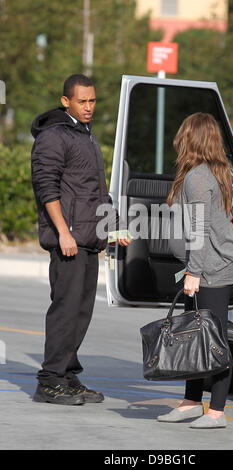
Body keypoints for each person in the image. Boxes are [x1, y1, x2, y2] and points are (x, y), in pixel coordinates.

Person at [31, 74, 131, 405]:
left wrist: (113, 226)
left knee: (81, 312)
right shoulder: (53, 136)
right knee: (65, 309)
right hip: (68, 240)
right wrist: (62, 233)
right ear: (66, 102)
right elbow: (47, 187)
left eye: (92, 101)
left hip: (89, 238)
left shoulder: (86, 136)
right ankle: (49, 381)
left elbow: (96, 191)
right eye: (82, 101)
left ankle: (68, 377)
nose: (89, 107)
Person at [157, 112, 233, 428]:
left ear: (190, 139)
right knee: (196, 336)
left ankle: (217, 411)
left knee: (215, 340)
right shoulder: (216, 171)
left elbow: (199, 230)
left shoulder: (197, 178)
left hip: (213, 270)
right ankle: (191, 402)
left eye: (181, 135)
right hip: (214, 265)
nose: (177, 140)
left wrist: (194, 272)